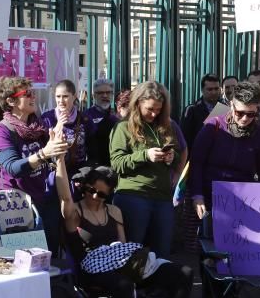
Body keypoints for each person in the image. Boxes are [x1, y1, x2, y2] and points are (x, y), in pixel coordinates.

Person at [56, 154, 190, 298]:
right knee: (124, 285)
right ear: (85, 187)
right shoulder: (75, 213)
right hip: (90, 270)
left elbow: (123, 246)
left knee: (182, 273)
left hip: (119, 263)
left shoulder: (114, 211)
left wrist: (135, 264)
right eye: (91, 190)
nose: (95, 197)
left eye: (102, 194)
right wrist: (59, 159)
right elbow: (64, 197)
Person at [0, 77, 69, 253]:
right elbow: (14, 168)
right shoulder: (0, 131)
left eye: (34, 93)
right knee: (18, 261)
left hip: (39, 200)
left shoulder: (40, 127)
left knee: (45, 257)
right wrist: (44, 153)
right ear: (10, 101)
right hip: (11, 207)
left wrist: (59, 146)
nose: (34, 97)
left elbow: (55, 161)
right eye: (28, 94)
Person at [189, 81, 260, 224]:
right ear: (231, 105)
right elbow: (197, 161)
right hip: (208, 195)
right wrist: (197, 195)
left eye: (251, 114)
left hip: (241, 200)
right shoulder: (214, 124)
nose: (244, 119)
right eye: (240, 113)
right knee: (203, 244)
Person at [108, 82, 181, 258]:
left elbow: (178, 153)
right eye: (150, 109)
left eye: (158, 109)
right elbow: (117, 163)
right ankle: (132, 286)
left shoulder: (165, 126)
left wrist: (172, 157)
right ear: (138, 103)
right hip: (133, 195)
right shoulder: (122, 127)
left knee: (162, 252)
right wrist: (145, 155)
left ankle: (159, 285)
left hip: (162, 197)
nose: (154, 113)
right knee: (133, 252)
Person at [42, 79, 91, 177]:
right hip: (55, 173)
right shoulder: (47, 118)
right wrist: (58, 126)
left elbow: (92, 148)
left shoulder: (84, 119)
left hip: (79, 174)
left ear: (74, 96)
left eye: (65, 96)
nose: (61, 101)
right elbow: (43, 147)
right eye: (58, 96)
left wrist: (86, 171)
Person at [84, 78, 119, 167]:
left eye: (108, 92)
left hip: (116, 164)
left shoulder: (117, 116)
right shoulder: (86, 116)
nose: (105, 95)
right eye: (100, 93)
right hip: (95, 168)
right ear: (93, 95)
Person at [181, 75, 223, 150]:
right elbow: (185, 139)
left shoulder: (224, 108)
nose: (214, 92)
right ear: (202, 90)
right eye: (210, 89)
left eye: (216, 89)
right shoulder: (192, 110)